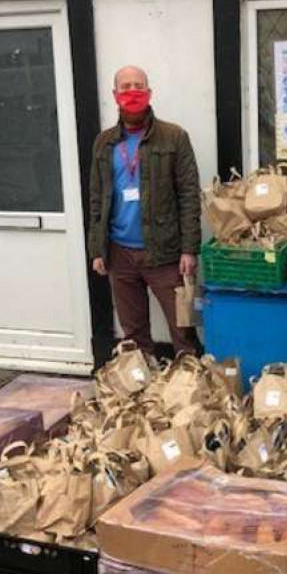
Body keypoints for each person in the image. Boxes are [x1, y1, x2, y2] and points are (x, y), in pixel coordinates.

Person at [88, 65, 201, 357]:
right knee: (134, 334)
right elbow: (97, 198)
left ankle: (188, 391)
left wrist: (189, 249)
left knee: (183, 330)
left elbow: (189, 195)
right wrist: (97, 250)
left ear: (149, 93)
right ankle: (143, 394)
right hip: (119, 252)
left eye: (138, 86)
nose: (132, 92)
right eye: (125, 87)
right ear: (115, 95)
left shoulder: (174, 137)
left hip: (164, 252)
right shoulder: (104, 143)